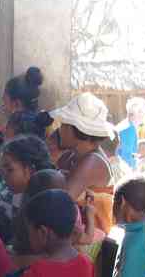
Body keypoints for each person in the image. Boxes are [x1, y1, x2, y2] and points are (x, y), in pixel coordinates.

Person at [49, 93, 117, 233]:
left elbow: (59, 203)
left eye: (63, 125)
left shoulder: (92, 162)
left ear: (76, 129)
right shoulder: (71, 155)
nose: (59, 130)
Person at [0, 135, 55, 245]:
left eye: (10, 169)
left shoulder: (44, 202)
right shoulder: (7, 195)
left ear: (30, 170)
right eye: (2, 169)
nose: (4, 175)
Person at [115, 97, 145, 170]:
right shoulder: (129, 129)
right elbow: (127, 155)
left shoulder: (126, 125)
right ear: (137, 113)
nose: (144, 117)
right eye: (142, 113)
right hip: (123, 169)